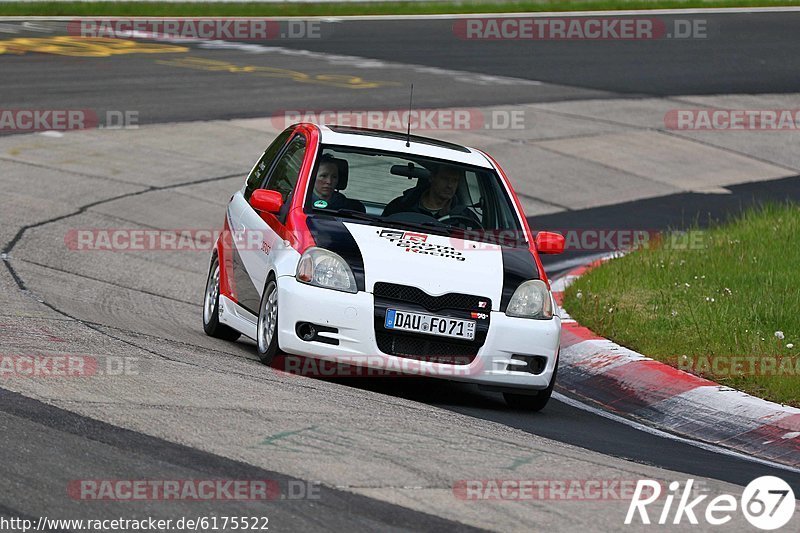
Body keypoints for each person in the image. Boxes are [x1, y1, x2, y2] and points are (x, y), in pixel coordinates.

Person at [382, 164, 476, 221]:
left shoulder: (465, 217)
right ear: (432, 178)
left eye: (454, 180)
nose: (450, 185)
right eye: (445, 179)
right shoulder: (400, 206)